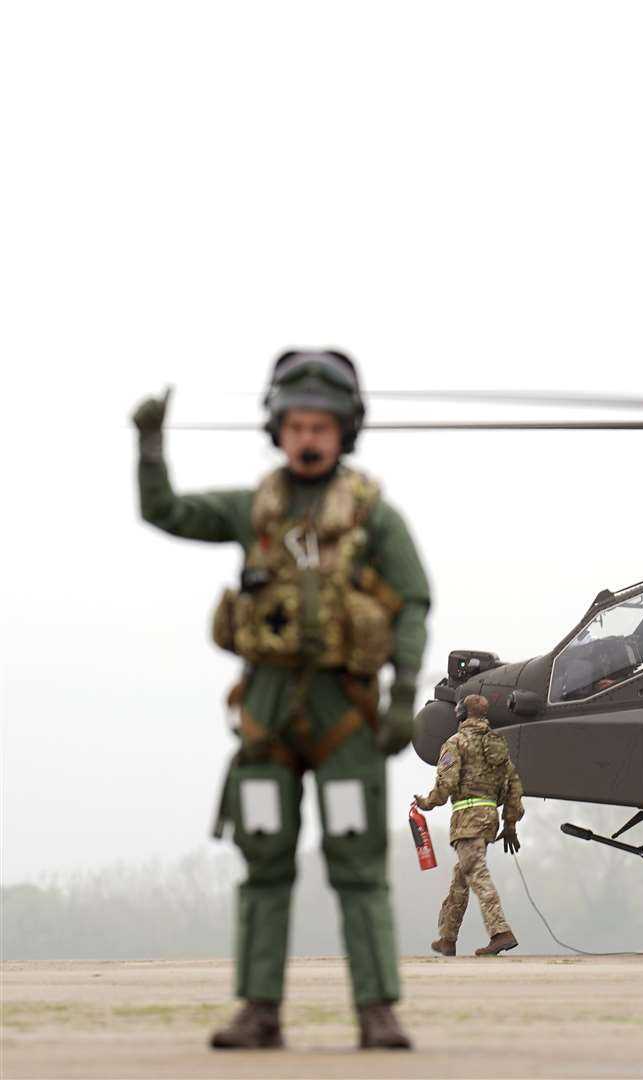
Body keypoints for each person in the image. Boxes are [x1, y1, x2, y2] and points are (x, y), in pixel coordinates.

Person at [132, 350, 430, 1051]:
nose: (308, 438)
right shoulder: (252, 510)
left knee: (357, 861)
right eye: (296, 424)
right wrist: (150, 447)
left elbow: (413, 601)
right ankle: (259, 1010)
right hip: (266, 711)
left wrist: (403, 694)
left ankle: (376, 1010)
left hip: (344, 712)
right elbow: (166, 511)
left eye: (321, 426)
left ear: (343, 432)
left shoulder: (374, 518)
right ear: (278, 429)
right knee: (263, 857)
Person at [415, 694, 524, 957]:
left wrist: (427, 803)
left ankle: (500, 932)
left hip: (467, 818)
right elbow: (514, 788)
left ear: (461, 714)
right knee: (461, 878)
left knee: (476, 872)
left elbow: (446, 783)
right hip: (488, 818)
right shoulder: (497, 745)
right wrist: (510, 824)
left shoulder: (456, 742)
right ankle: (447, 938)